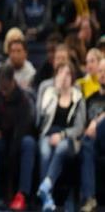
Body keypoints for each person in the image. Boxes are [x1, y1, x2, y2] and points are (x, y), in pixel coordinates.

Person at [0, 65, 36, 211]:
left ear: (13, 82)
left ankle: (22, 195)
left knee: (29, 143)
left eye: (6, 89)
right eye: (1, 88)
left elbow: (23, 129)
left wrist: (11, 153)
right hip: (2, 138)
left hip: (18, 139)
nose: (3, 92)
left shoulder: (23, 100)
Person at [37, 62, 86, 212]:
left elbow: (79, 127)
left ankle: (46, 187)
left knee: (61, 148)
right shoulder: (49, 93)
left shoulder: (78, 97)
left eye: (68, 74)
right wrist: (55, 94)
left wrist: (62, 135)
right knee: (45, 152)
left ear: (73, 77)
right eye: (61, 73)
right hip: (48, 134)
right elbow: (40, 119)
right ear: (56, 75)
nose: (64, 77)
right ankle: (47, 198)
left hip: (68, 138)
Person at [79, 58, 105, 212]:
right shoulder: (90, 99)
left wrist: (97, 121)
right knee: (87, 143)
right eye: (101, 71)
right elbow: (83, 124)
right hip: (93, 141)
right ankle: (89, 198)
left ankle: (89, 198)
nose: (103, 74)